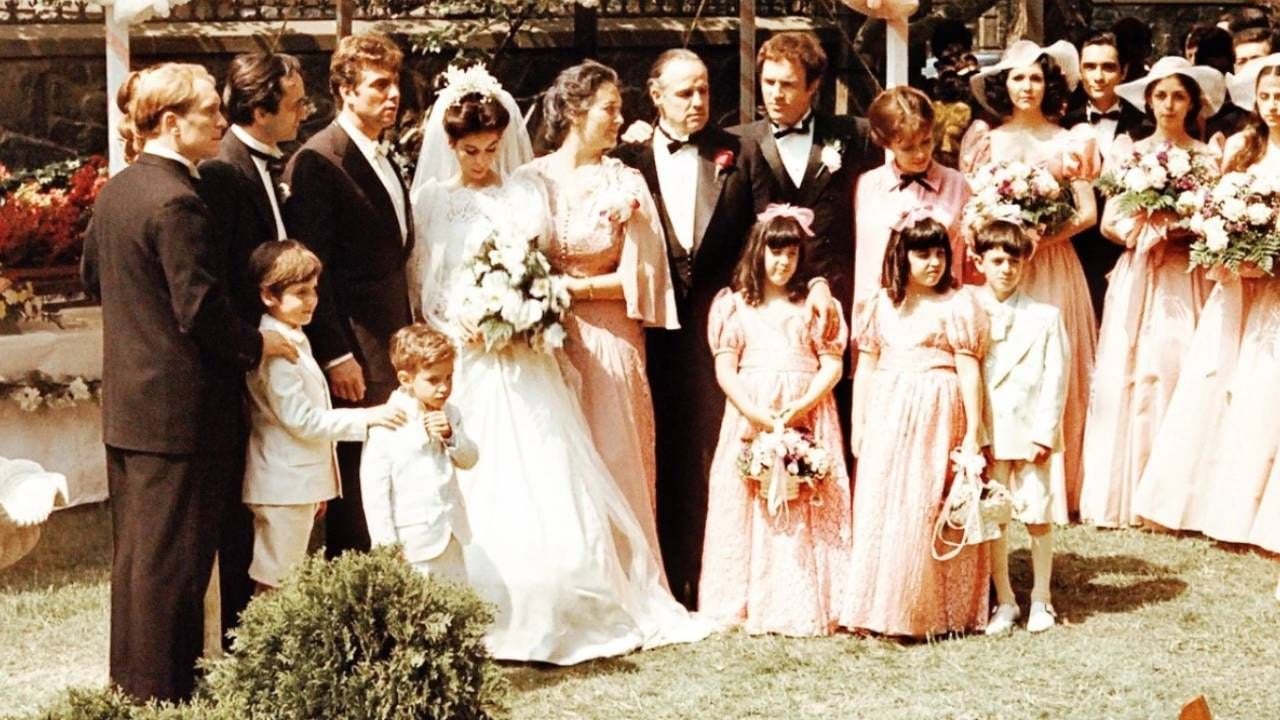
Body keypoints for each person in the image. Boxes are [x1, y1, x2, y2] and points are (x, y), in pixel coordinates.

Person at [407, 65, 708, 662]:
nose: (483, 161)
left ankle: (566, 597)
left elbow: (536, 263)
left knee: (553, 470)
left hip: (529, 352)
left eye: (492, 148)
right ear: (451, 146)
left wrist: (525, 306)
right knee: (480, 473)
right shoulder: (435, 200)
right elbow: (427, 282)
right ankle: (478, 601)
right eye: (470, 151)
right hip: (471, 355)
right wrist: (459, 319)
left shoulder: (523, 192)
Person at [80, 62, 297, 702]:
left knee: (138, 556)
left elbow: (94, 278)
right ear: (172, 123)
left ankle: (133, 686)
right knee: (173, 562)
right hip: (181, 411)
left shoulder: (118, 190)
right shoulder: (179, 200)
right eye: (210, 111)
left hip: (131, 404)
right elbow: (200, 310)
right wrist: (259, 342)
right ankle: (163, 693)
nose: (222, 120)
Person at [610, 49, 756, 606]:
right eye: (684, 93)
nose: (697, 102)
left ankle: (714, 574)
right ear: (656, 96)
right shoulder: (628, 158)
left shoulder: (737, 153)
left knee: (713, 446)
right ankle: (664, 575)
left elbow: (757, 234)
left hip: (715, 324)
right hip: (647, 325)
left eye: (704, 90)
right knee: (655, 447)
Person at [519, 60, 679, 563]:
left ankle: (626, 574)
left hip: (610, 340)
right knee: (553, 460)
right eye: (610, 109)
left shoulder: (626, 182)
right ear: (574, 110)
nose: (619, 119)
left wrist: (570, 290)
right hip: (543, 343)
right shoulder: (529, 179)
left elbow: (640, 280)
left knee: (613, 456)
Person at [1135, 54, 1280, 545]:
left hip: (1274, 287)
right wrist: (1229, 245)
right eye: (1265, 97)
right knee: (1215, 379)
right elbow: (1216, 211)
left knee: (1262, 385)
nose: (1273, 106)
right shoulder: (1241, 147)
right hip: (1236, 282)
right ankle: (1186, 501)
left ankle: (1249, 512)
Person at [284, 33, 414, 557]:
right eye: (379, 85)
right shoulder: (319, 160)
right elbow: (315, 270)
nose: (393, 95)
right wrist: (337, 353)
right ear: (344, 90)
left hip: (391, 340)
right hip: (357, 350)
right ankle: (357, 584)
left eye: (395, 83)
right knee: (361, 486)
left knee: (393, 476)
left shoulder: (383, 154)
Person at [196, 50, 311, 644]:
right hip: (249, 357)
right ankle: (247, 633)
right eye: (295, 104)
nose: (304, 113)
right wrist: (255, 344)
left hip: (279, 346)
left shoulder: (271, 164)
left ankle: (274, 626)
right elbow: (221, 277)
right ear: (261, 110)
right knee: (249, 503)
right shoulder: (223, 172)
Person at [1078, 57, 1222, 529]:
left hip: (1187, 274)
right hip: (1140, 271)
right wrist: (1146, 230)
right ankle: (1131, 487)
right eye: (1161, 96)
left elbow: (1215, 220)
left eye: (1179, 96)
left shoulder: (1207, 158)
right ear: (1148, 101)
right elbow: (1110, 223)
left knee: (1180, 365)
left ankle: (1178, 496)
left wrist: (1183, 228)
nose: (1169, 105)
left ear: (1193, 103)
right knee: (1135, 370)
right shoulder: (1131, 153)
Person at [698, 205, 851, 637]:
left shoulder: (814, 308)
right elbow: (725, 367)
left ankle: (808, 597)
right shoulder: (734, 306)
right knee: (752, 498)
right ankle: (743, 599)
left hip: (805, 409)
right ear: (758, 252)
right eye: (775, 252)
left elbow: (832, 364)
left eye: (792, 254)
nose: (783, 262)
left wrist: (804, 404)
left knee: (805, 498)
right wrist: (752, 411)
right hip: (753, 410)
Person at [962, 39, 1099, 515]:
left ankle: (1056, 486)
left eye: (1036, 78)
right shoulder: (986, 140)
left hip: (1051, 264)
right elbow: (971, 208)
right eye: (1018, 78)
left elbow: (1087, 212)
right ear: (1004, 85)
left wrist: (1042, 236)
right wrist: (996, 238)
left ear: (1049, 84)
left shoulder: (1069, 141)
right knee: (1000, 363)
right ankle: (995, 473)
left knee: (1053, 364)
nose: (1027, 87)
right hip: (1000, 266)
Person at [840, 209, 990, 639]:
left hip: (938, 411)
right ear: (900, 256)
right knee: (884, 502)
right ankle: (878, 606)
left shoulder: (958, 304)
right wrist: (859, 424)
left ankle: (925, 610)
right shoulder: (881, 305)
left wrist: (974, 432)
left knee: (924, 501)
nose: (934, 263)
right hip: (888, 410)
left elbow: (969, 371)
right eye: (922, 255)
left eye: (940, 253)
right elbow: (866, 368)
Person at [242, 241, 404, 592]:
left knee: (286, 581)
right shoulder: (277, 348)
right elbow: (302, 420)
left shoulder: (294, 336)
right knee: (275, 584)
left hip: (299, 483)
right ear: (268, 295)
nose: (311, 300)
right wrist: (368, 418)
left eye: (314, 290)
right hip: (284, 484)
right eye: (300, 293)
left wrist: (319, 486)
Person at [972, 221, 1069, 636]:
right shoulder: (967, 308)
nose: (1006, 269)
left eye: (1013, 261)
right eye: (996, 261)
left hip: (1029, 433)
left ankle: (1041, 598)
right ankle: (1005, 599)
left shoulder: (1045, 316)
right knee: (994, 515)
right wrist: (976, 434)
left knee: (1037, 512)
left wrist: (1045, 432)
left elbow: (1057, 378)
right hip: (989, 433)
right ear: (979, 262)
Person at [361, 324, 476, 580]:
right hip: (413, 544)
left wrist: (450, 435)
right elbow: (375, 493)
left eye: (449, 377)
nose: (444, 387)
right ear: (406, 379)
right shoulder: (388, 422)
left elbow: (470, 459)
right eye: (433, 380)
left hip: (451, 534)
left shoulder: (451, 413)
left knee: (457, 599)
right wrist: (387, 548)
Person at [854, 86, 970, 309]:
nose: (920, 154)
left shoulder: (957, 185)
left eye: (926, 142)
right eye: (907, 148)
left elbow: (967, 260)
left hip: (943, 310)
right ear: (886, 144)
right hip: (883, 312)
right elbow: (865, 263)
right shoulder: (868, 186)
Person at [1063, 32, 1150, 320]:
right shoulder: (1063, 122)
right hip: (1075, 248)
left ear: (1124, 71)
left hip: (1126, 248)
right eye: (1089, 67)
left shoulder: (1145, 125)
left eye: (1108, 67)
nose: (1098, 76)